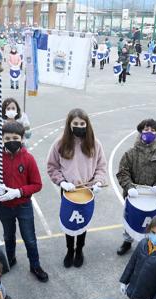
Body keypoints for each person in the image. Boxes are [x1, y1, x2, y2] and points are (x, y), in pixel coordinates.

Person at [0, 122, 49, 282]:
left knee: (29, 238)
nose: (11, 140)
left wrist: (19, 192)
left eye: (15, 138)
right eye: (7, 138)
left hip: (23, 206)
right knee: (8, 236)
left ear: (22, 138)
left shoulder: (28, 159)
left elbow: (37, 184)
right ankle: (10, 258)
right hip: (5, 206)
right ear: (2, 139)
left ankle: (35, 264)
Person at [47, 108, 107, 268]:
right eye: (76, 123)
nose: (79, 126)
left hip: (87, 190)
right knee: (69, 222)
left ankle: (79, 250)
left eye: (82, 123)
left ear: (87, 124)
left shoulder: (95, 144)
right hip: (68, 191)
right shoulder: (60, 143)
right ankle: (69, 250)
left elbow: (101, 167)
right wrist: (61, 182)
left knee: (82, 222)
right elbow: (52, 167)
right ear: (69, 124)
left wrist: (99, 182)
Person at [116, 119, 156, 255]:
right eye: (147, 129)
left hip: (152, 197)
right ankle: (127, 241)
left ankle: (148, 243)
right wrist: (129, 187)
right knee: (130, 219)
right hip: (134, 195)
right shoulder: (130, 153)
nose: (150, 132)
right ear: (141, 131)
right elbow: (123, 172)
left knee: (150, 223)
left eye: (153, 130)